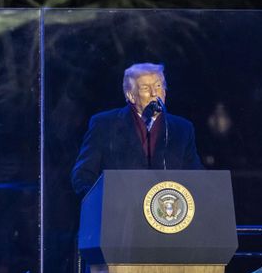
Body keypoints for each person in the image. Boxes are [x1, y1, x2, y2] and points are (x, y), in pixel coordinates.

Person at [70, 62, 203, 198]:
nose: (154, 93)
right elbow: (83, 176)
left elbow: (197, 179)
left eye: (158, 86)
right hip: (119, 215)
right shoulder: (104, 125)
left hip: (168, 215)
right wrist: (103, 204)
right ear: (130, 96)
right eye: (145, 88)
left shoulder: (182, 129)